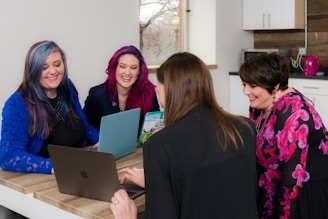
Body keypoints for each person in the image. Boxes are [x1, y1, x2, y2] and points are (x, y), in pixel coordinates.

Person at [109, 52, 259, 219]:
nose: (157, 92)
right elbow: (214, 184)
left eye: (159, 89)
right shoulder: (245, 128)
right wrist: (158, 181)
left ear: (171, 91)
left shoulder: (159, 145)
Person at [239, 53, 328, 219]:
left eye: (252, 85)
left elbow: (291, 184)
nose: (245, 91)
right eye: (244, 84)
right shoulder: (260, 104)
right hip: (272, 186)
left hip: (303, 196)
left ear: (274, 86)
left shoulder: (293, 115)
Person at [0, 40, 99, 174]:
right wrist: (53, 166)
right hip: (42, 179)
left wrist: (103, 140)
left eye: (57, 64)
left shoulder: (68, 88)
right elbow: (9, 157)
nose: (53, 71)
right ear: (33, 70)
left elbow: (83, 127)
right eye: (44, 67)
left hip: (77, 170)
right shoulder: (17, 104)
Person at [83, 45, 160, 131]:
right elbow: (86, 128)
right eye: (122, 66)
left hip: (139, 144)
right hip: (105, 144)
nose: (127, 72)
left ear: (139, 72)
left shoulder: (149, 92)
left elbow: (154, 126)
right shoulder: (97, 94)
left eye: (133, 68)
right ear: (114, 68)